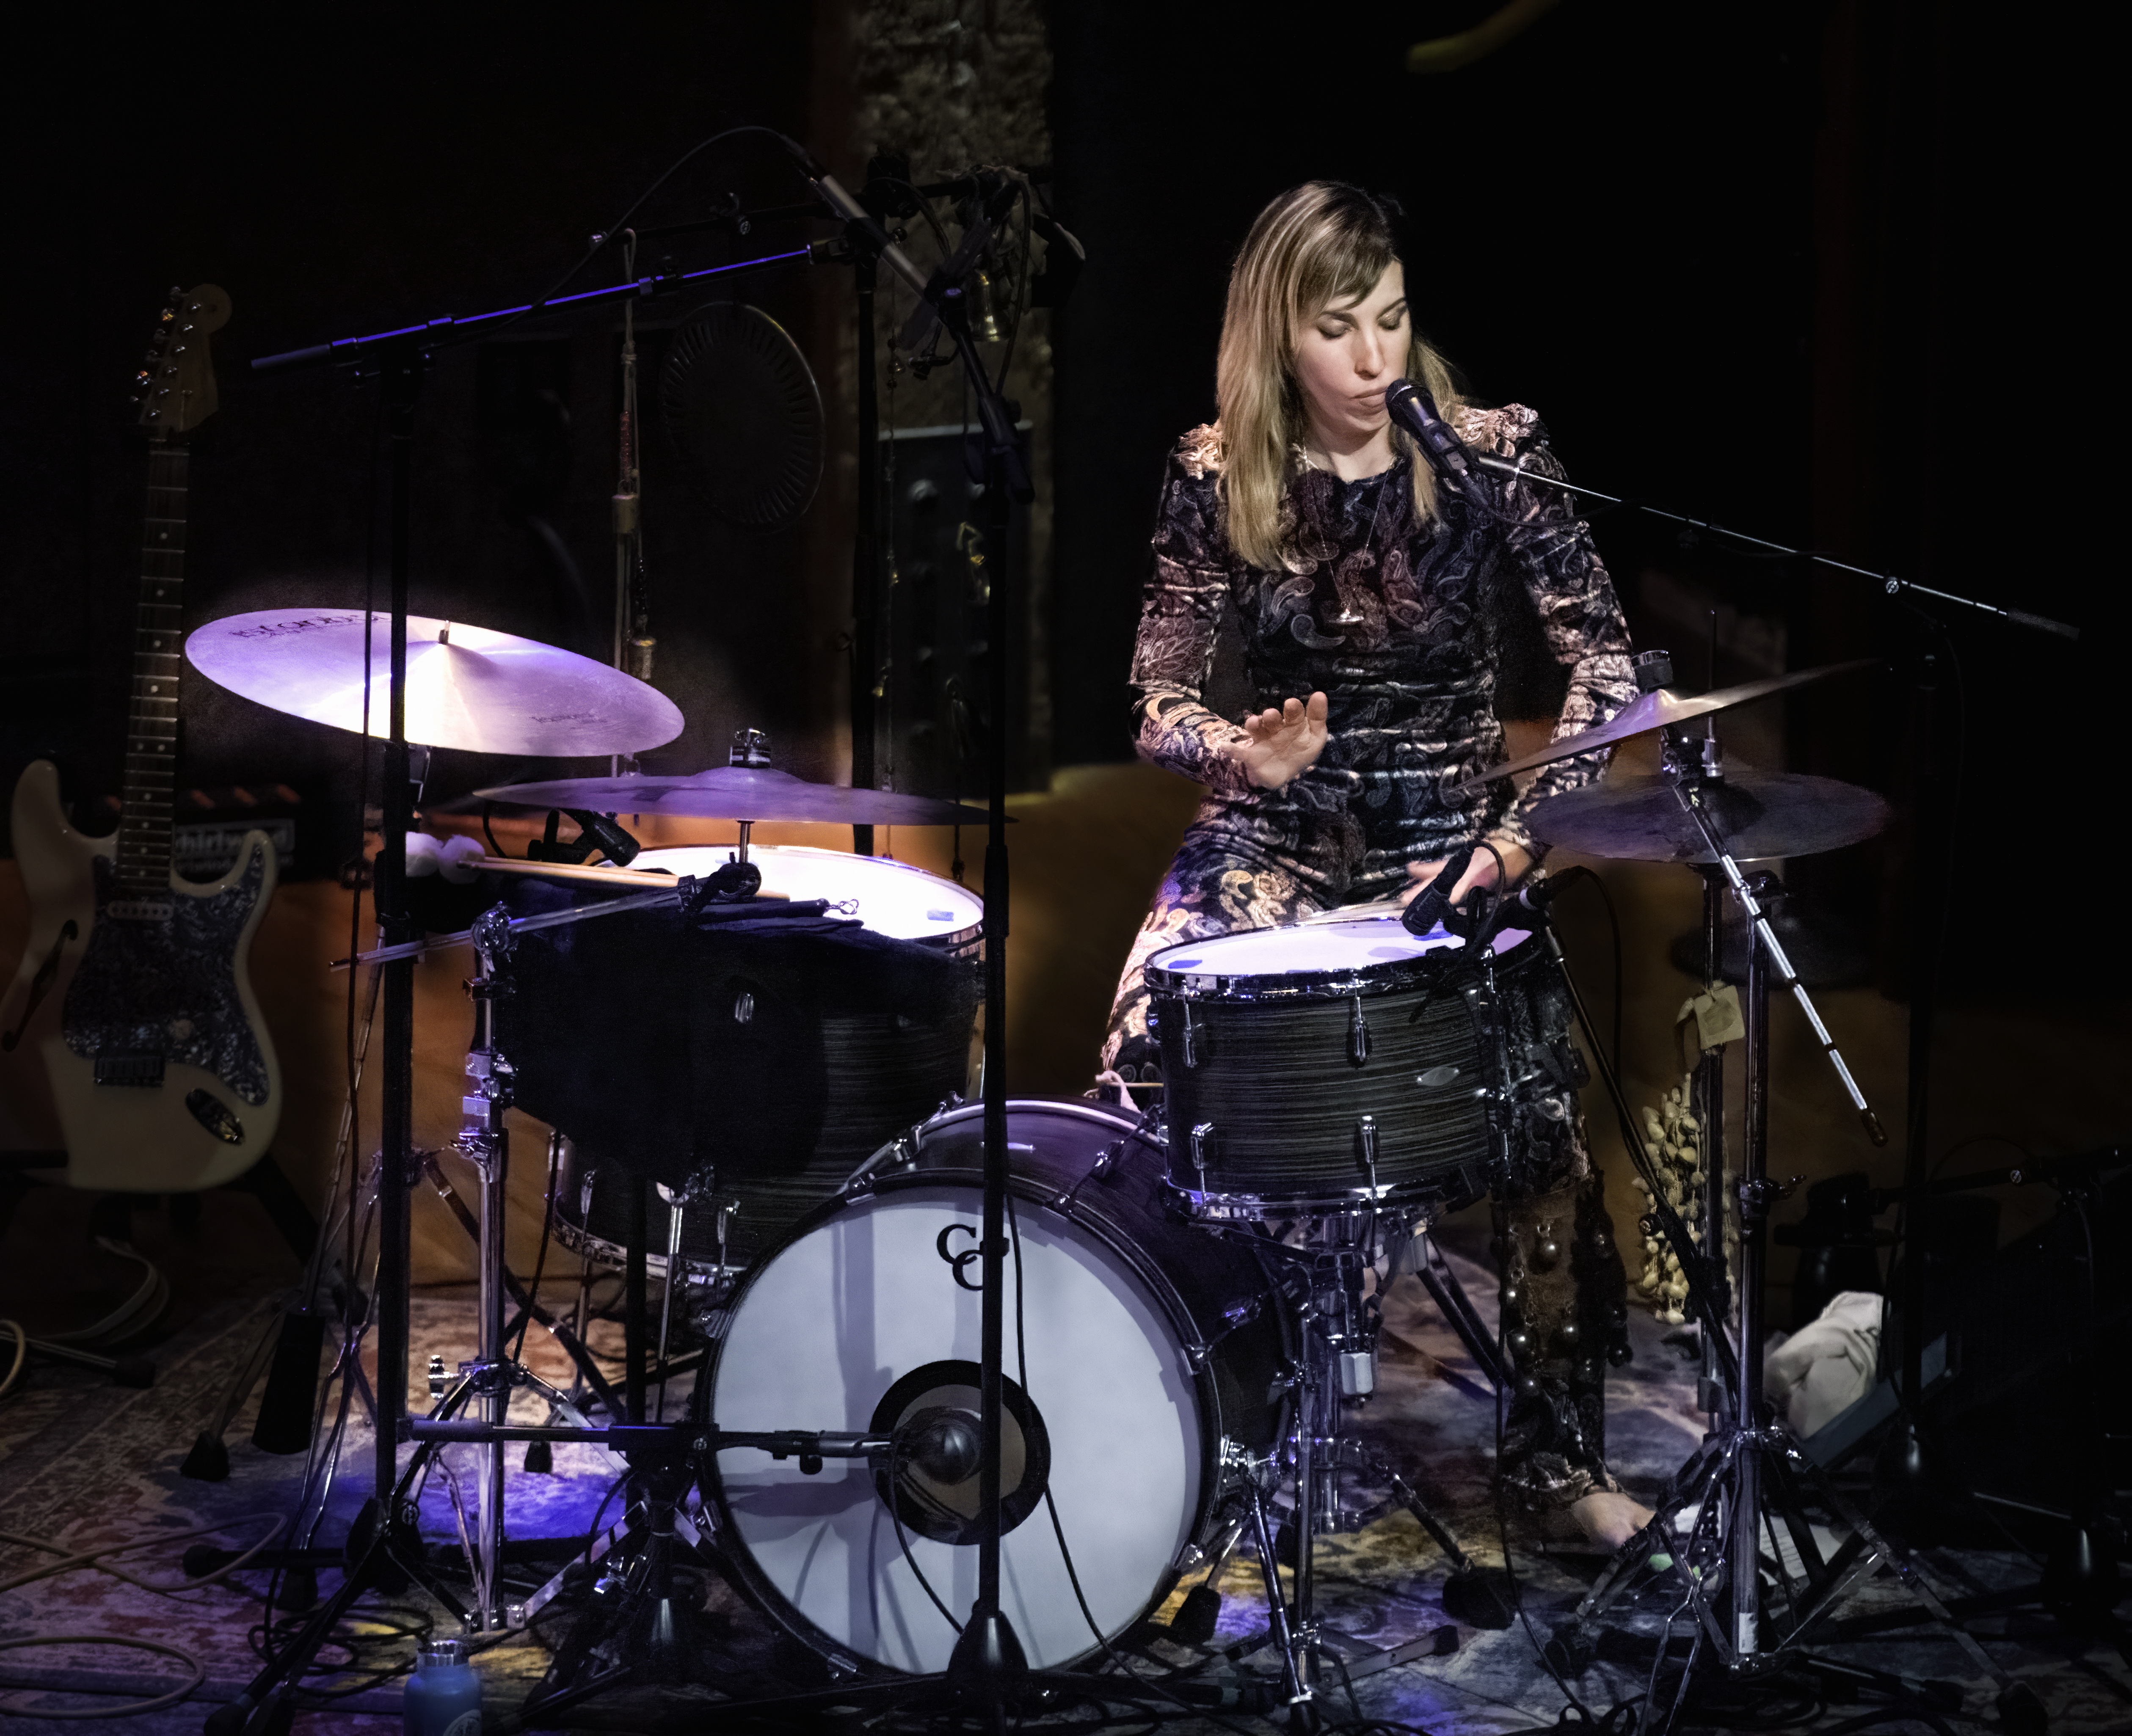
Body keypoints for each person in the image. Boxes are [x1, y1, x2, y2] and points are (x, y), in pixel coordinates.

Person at [1099, 180, 1647, 1543]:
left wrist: (1526, 837)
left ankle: (1556, 1465)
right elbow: (1157, 697)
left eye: (1393, 322)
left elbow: (1609, 664)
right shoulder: (1215, 470)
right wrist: (1239, 754)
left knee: (1541, 1137)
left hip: (1454, 841)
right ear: (1276, 337)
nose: (1373, 360)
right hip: (1280, 825)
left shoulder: (1492, 455)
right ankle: (1152, 1418)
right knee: (1135, 1065)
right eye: (1338, 331)